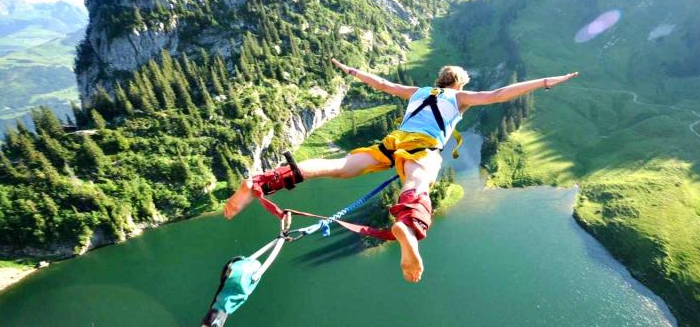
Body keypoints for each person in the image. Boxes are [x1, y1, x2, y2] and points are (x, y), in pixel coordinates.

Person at [224, 58, 578, 283]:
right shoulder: (459, 98)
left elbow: (379, 83)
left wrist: (351, 71)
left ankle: (262, 181)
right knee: (419, 179)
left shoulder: (418, 91)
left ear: (438, 79)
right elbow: (501, 94)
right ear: (459, 85)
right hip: (421, 148)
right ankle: (407, 223)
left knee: (341, 167)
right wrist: (545, 81)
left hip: (392, 143)